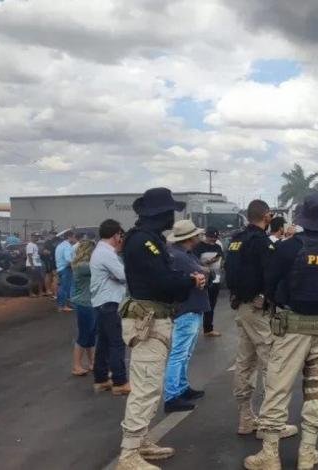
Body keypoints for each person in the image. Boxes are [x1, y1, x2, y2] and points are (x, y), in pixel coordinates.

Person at [245, 193, 318, 470]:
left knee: (278, 388)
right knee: (316, 389)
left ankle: (270, 454)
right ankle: (308, 452)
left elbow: (270, 283)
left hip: (291, 328)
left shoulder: (288, 248)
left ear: (304, 219)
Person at [113, 188, 204, 470]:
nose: (172, 217)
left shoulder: (147, 239)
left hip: (153, 317)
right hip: (148, 320)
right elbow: (162, 281)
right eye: (170, 212)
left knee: (151, 385)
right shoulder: (143, 242)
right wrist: (190, 281)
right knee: (146, 386)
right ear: (161, 213)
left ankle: (139, 441)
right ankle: (129, 454)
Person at [227, 200, 288, 438]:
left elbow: (230, 273)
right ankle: (271, 424)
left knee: (245, 362)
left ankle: (245, 418)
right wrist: (266, 296)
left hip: (241, 306)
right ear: (266, 216)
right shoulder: (262, 242)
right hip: (258, 309)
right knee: (271, 362)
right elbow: (270, 275)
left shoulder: (236, 240)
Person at [163, 220, 209, 413]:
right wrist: (203, 272)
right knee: (180, 352)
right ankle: (172, 394)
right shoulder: (181, 257)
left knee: (184, 352)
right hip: (187, 308)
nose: (199, 237)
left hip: (189, 307)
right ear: (190, 238)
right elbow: (202, 273)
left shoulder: (181, 254)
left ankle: (181, 387)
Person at [90, 219, 130, 396]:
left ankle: (101, 379)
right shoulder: (106, 253)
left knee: (104, 343)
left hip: (101, 301)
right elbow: (123, 275)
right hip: (110, 302)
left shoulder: (101, 251)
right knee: (116, 343)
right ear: (116, 235)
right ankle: (120, 381)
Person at [70, 240, 97, 377]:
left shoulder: (81, 265)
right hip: (85, 304)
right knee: (83, 336)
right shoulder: (83, 266)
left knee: (91, 335)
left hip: (88, 303)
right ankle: (76, 366)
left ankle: (92, 362)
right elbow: (99, 267)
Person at [193, 227, 224, 337]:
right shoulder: (199, 247)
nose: (213, 240)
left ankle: (208, 328)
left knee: (211, 304)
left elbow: (220, 256)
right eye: (211, 238)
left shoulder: (217, 246)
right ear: (207, 236)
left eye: (215, 238)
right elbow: (194, 261)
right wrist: (205, 263)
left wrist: (215, 260)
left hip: (215, 278)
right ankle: (194, 329)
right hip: (203, 279)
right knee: (199, 304)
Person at [55, 230, 78, 313]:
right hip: (65, 269)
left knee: (61, 287)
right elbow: (68, 259)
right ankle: (62, 306)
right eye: (73, 236)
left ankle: (62, 305)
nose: (74, 238)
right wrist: (74, 268)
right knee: (65, 288)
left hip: (60, 268)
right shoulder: (67, 246)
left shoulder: (60, 245)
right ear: (69, 237)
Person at [42, 231, 59, 297]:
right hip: (49, 260)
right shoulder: (47, 242)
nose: (54, 235)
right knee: (49, 275)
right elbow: (44, 251)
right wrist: (50, 254)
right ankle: (48, 290)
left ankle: (51, 291)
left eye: (55, 234)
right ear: (49, 235)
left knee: (52, 275)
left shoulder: (55, 242)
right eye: (52, 234)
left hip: (55, 260)